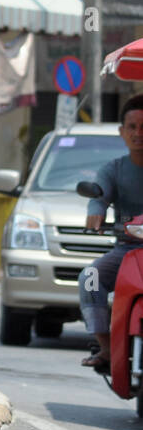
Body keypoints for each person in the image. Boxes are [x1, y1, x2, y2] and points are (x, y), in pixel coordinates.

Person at [79, 93, 143, 370]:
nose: (139, 133)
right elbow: (99, 193)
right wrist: (96, 208)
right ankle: (105, 347)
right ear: (122, 132)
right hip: (127, 252)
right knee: (89, 278)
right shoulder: (113, 169)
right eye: (132, 127)